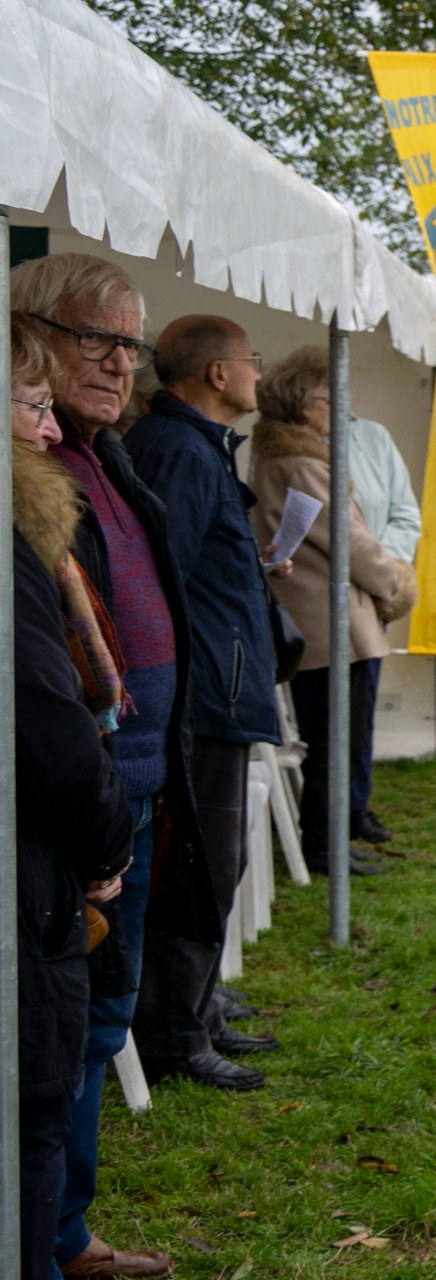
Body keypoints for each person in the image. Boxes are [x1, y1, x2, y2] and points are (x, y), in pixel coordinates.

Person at [17, 254, 216, 1279]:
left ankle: (64, 1230)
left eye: (132, 344)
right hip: (78, 796)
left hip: (131, 777)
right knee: (63, 1034)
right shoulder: (30, 465)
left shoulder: (107, 453)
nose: (118, 363)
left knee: (96, 1018)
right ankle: (48, 1239)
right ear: (30, 333)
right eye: (98, 338)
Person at [123, 316, 289, 1091]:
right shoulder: (183, 451)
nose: (261, 376)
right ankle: (173, 1034)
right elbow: (163, 578)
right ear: (218, 375)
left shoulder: (194, 448)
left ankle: (199, 1008)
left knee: (221, 860)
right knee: (199, 862)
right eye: (251, 363)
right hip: (200, 701)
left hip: (216, 689)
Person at [10, 317, 136, 1280]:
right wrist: (105, 841)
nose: (50, 434)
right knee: (33, 1107)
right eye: (35, 406)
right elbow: (47, 726)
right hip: (35, 866)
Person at [251, 347, 416, 878]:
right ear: (303, 405)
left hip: (328, 619)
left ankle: (332, 838)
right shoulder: (300, 463)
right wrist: (394, 581)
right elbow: (352, 542)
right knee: (333, 739)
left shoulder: (285, 458)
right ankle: (324, 845)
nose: (338, 407)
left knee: (334, 737)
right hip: (333, 625)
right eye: (328, 398)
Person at [345, 409, 422, 845]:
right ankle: (320, 814)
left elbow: (405, 514)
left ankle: (356, 805)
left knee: (361, 706)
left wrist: (379, 569)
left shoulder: (373, 434)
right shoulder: (294, 449)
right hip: (321, 596)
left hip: (373, 594)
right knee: (324, 714)